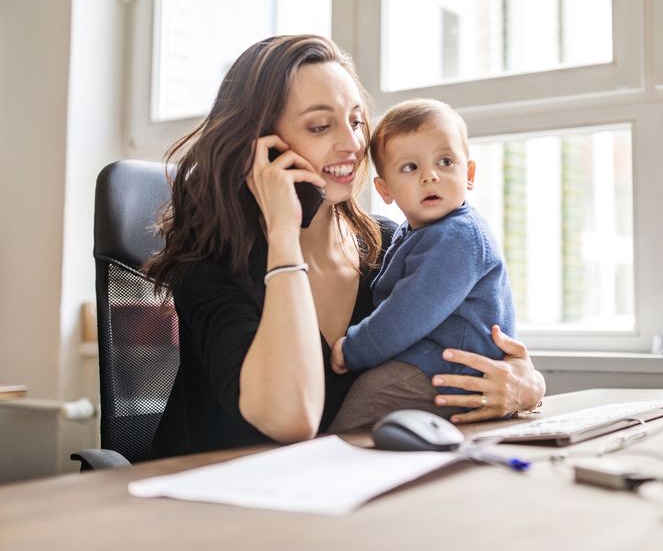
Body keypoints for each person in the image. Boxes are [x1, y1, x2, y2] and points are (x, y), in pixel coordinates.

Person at [143, 34, 545, 457]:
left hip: (349, 496)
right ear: (260, 148)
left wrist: (525, 385)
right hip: (215, 503)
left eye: (355, 121)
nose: (354, 145)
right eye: (320, 126)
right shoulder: (210, 266)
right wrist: (283, 234)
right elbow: (291, 419)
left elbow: (485, 345)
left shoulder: (390, 245)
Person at [327, 99, 514, 432]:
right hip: (435, 365)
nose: (430, 177)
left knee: (360, 409)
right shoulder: (414, 232)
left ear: (468, 174)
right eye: (410, 168)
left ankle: (325, 467)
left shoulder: (458, 237)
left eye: (445, 162)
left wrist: (353, 349)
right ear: (384, 189)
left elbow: (406, 313)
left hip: (450, 372)